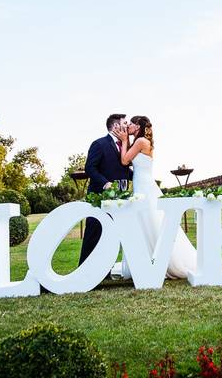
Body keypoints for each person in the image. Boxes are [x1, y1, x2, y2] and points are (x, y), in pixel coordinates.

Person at [115, 115, 198, 279]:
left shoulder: (140, 142)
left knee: (150, 220)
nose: (128, 126)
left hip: (144, 187)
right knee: (145, 222)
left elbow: (124, 160)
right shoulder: (141, 142)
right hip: (141, 184)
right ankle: (148, 260)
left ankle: (160, 261)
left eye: (131, 123)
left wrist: (124, 140)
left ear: (137, 126)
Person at [79, 113, 133, 266]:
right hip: (99, 196)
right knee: (94, 232)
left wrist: (139, 175)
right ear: (116, 126)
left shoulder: (124, 145)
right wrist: (105, 183)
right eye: (125, 122)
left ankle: (104, 269)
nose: (127, 125)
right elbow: (90, 168)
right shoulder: (99, 144)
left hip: (119, 198)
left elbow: (122, 169)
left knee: (111, 234)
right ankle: (85, 268)